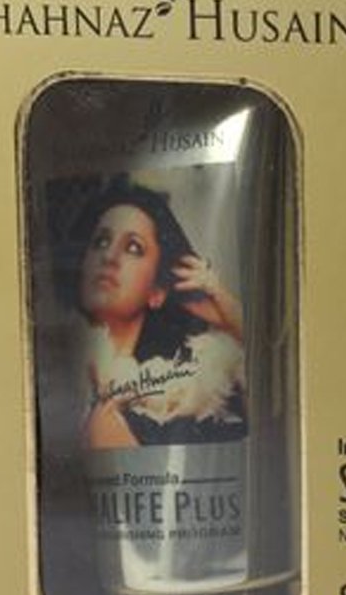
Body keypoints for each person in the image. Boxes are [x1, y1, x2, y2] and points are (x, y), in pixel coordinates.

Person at [71, 179, 246, 449]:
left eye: (133, 247)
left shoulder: (180, 407)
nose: (109, 256)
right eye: (101, 241)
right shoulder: (52, 366)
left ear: (156, 292)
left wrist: (224, 309)